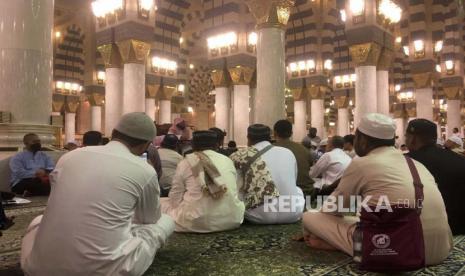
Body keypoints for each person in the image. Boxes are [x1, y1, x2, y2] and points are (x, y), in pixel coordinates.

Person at [20, 112, 175, 276]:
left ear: (114, 134)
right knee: (165, 221)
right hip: (104, 269)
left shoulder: (69, 157)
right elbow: (149, 219)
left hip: (38, 267)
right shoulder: (145, 170)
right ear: (146, 145)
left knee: (38, 220)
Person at [302, 113, 452, 266]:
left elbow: (332, 209)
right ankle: (340, 242)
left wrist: (319, 228)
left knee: (310, 216)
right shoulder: (414, 163)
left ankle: (343, 245)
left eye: (356, 137)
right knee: (358, 218)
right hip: (440, 249)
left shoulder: (362, 163)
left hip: (397, 250)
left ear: (363, 140)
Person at [161, 131, 245, 233]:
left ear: (192, 145)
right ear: (217, 145)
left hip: (195, 223)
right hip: (232, 219)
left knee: (162, 203)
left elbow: (175, 198)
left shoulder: (186, 162)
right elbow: (234, 191)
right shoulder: (227, 160)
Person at [230, 124, 304, 224]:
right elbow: (293, 180)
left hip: (258, 216)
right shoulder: (288, 152)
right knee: (298, 189)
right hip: (292, 213)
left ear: (248, 138)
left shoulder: (238, 155)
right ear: (270, 137)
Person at [406, 119, 465, 235]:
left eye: (406, 137)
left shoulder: (406, 162)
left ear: (413, 139)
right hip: (460, 230)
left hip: (424, 232)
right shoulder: (459, 159)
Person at [273, 120, 314, 196]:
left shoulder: (270, 150)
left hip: (283, 195)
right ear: (291, 133)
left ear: (274, 133)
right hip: (306, 192)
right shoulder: (304, 149)